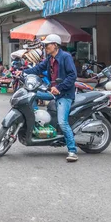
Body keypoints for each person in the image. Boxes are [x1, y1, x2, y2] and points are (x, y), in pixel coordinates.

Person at [24, 34, 79, 163]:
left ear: (55, 45)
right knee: (32, 95)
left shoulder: (66, 57)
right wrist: (23, 72)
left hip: (64, 94)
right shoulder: (49, 59)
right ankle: (38, 120)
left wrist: (59, 87)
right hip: (52, 91)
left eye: (47, 45)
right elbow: (38, 68)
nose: (45, 48)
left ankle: (72, 150)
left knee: (62, 122)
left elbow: (72, 75)